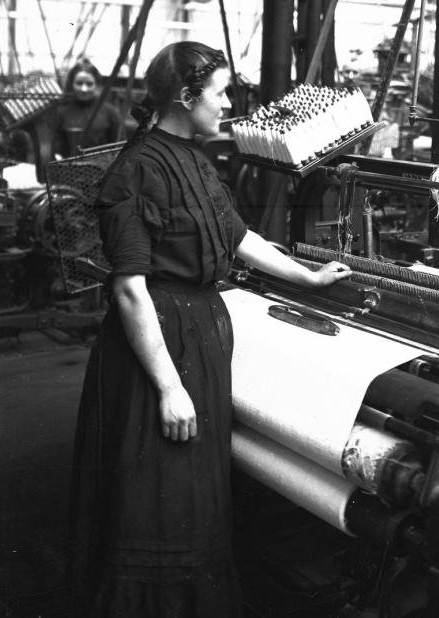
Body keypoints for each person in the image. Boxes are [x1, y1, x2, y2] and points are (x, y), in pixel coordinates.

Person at [67, 41, 353, 617]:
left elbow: (239, 237)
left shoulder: (197, 158)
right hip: (161, 342)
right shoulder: (138, 170)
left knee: (193, 488)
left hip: (197, 333)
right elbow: (129, 287)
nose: (227, 105)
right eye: (220, 93)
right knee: (158, 491)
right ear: (185, 96)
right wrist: (169, 387)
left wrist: (308, 277)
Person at [52, 59, 125, 158]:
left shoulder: (111, 113)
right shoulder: (61, 112)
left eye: (89, 84)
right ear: (72, 84)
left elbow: (120, 145)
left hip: (103, 168)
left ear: (97, 85)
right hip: (68, 168)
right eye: (79, 83)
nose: (84, 89)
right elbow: (57, 145)